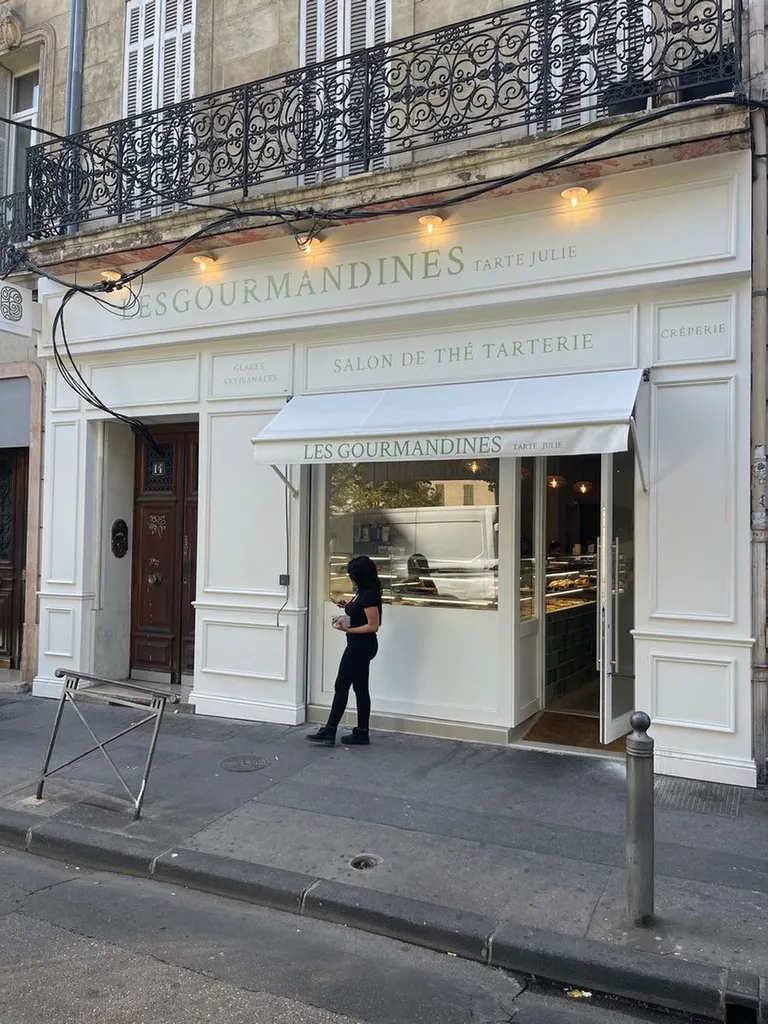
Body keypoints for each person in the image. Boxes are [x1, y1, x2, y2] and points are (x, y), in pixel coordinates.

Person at [307, 555, 382, 747]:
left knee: (341, 685)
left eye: (352, 574)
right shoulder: (365, 591)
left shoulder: (369, 594)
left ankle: (330, 730)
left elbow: (373, 625)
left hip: (360, 646)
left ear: (359, 576)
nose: (350, 577)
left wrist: (348, 629)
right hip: (360, 646)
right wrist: (345, 606)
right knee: (360, 689)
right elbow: (360, 612)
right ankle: (361, 732)